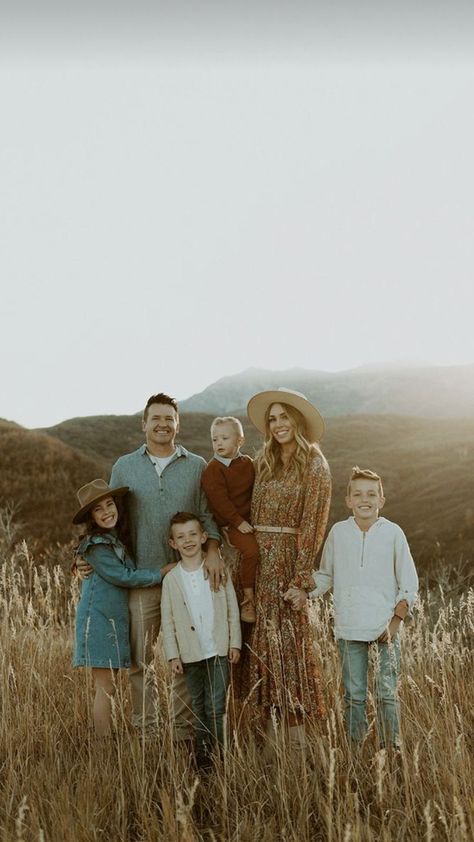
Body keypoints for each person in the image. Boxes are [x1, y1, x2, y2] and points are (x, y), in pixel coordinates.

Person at [78, 393, 223, 735]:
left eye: (168, 419)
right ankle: (146, 729)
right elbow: (107, 520)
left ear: (177, 424)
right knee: (138, 661)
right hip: (140, 581)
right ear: (144, 424)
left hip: (187, 579)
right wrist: (81, 559)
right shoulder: (124, 466)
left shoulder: (196, 465)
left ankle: (183, 731)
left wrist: (214, 549)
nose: (162, 424)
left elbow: (207, 516)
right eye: (155, 418)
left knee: (188, 658)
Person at [287, 466, 419, 749]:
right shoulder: (339, 532)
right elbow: (326, 576)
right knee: (354, 694)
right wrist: (304, 590)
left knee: (386, 693)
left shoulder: (393, 533)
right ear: (348, 500)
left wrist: (395, 622)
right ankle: (355, 750)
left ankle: (390, 749)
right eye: (358, 494)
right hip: (349, 626)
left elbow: (409, 584)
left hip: (386, 626)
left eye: (372, 494)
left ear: (381, 500)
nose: (365, 499)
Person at [242, 387, 331, 753]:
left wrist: (300, 580)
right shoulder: (263, 461)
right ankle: (268, 741)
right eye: (272, 419)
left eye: (284, 417)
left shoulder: (315, 464)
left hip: (287, 569)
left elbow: (313, 526)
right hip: (257, 566)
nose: (278, 424)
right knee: (261, 650)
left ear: (298, 420)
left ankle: (297, 744)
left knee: (290, 652)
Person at [72, 479, 175, 736]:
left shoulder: (114, 539)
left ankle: (107, 739)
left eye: (109, 504)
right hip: (97, 621)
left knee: (109, 686)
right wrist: (161, 573)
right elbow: (123, 576)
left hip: (113, 621)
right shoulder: (96, 546)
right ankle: (103, 746)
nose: (107, 512)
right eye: (99, 509)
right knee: (104, 687)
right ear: (92, 517)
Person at [161, 512, 241, 767]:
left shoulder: (217, 569)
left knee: (217, 706)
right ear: (173, 543)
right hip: (190, 653)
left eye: (193, 534)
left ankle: (222, 756)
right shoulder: (172, 580)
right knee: (198, 706)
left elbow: (231, 609)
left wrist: (234, 643)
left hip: (217, 649)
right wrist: (173, 654)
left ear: (204, 537)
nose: (188, 541)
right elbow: (168, 619)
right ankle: (204, 757)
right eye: (181, 537)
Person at [201, 416, 258, 623]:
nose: (219, 443)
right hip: (229, 522)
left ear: (239, 441)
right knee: (251, 550)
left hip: (249, 518)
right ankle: (249, 597)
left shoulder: (248, 463)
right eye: (215, 439)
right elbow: (220, 502)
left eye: (225, 438)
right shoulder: (213, 469)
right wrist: (237, 522)